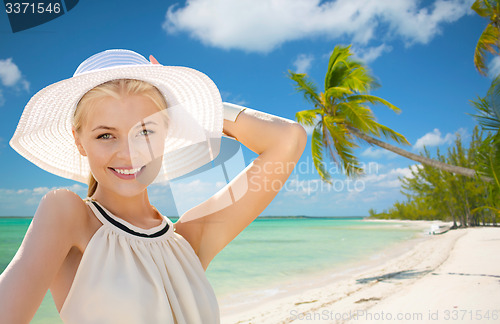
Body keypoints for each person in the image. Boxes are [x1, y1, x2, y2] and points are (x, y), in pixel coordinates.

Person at [0, 49, 307, 323]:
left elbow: (287, 139)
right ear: (79, 141)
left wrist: (189, 108)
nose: (128, 153)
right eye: (105, 135)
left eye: (145, 131)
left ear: (167, 131)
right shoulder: (67, 214)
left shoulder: (188, 240)